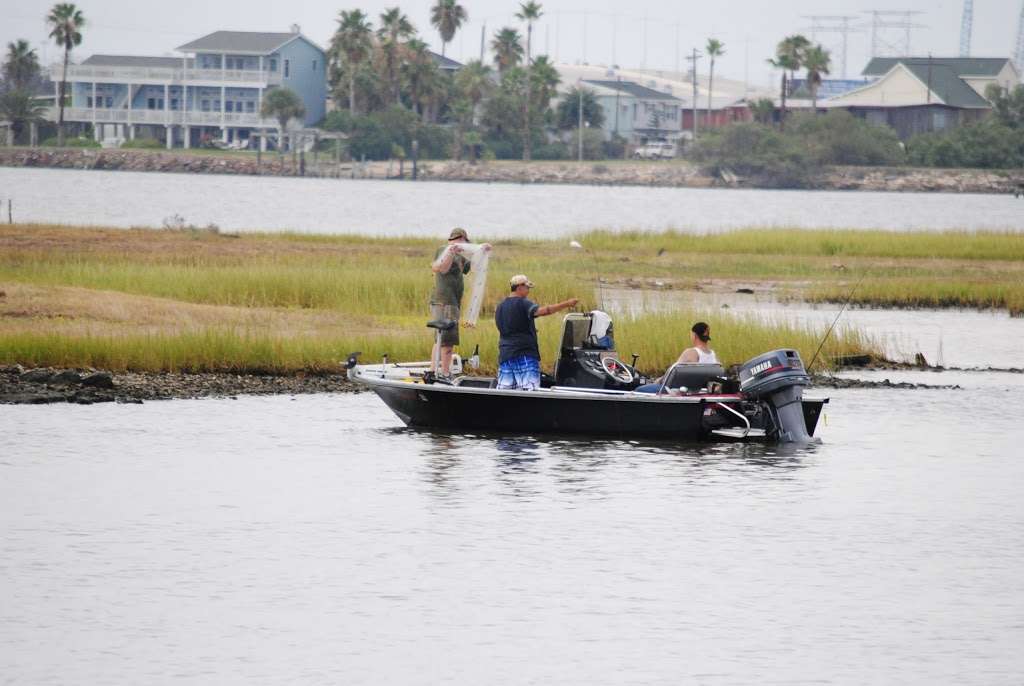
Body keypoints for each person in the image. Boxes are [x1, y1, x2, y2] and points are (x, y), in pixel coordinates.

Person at [495, 274, 578, 390]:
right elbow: (544, 311)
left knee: (505, 394)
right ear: (519, 287)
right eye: (527, 288)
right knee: (531, 392)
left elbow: (506, 327)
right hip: (524, 355)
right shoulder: (523, 303)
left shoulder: (500, 306)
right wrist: (567, 303)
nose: (528, 291)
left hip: (505, 357)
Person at [429, 227, 473, 377]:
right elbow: (443, 268)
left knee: (441, 339)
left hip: (453, 302)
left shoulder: (461, 254)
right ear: (460, 238)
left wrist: (482, 251)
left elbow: (467, 268)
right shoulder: (444, 249)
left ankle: (433, 370)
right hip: (445, 301)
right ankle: (444, 373)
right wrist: (452, 252)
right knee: (447, 341)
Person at [635, 321, 719, 393]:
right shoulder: (713, 354)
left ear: (694, 335)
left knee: (638, 390)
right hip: (700, 391)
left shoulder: (691, 352)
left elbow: (672, 372)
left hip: (679, 391)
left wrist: (658, 380)